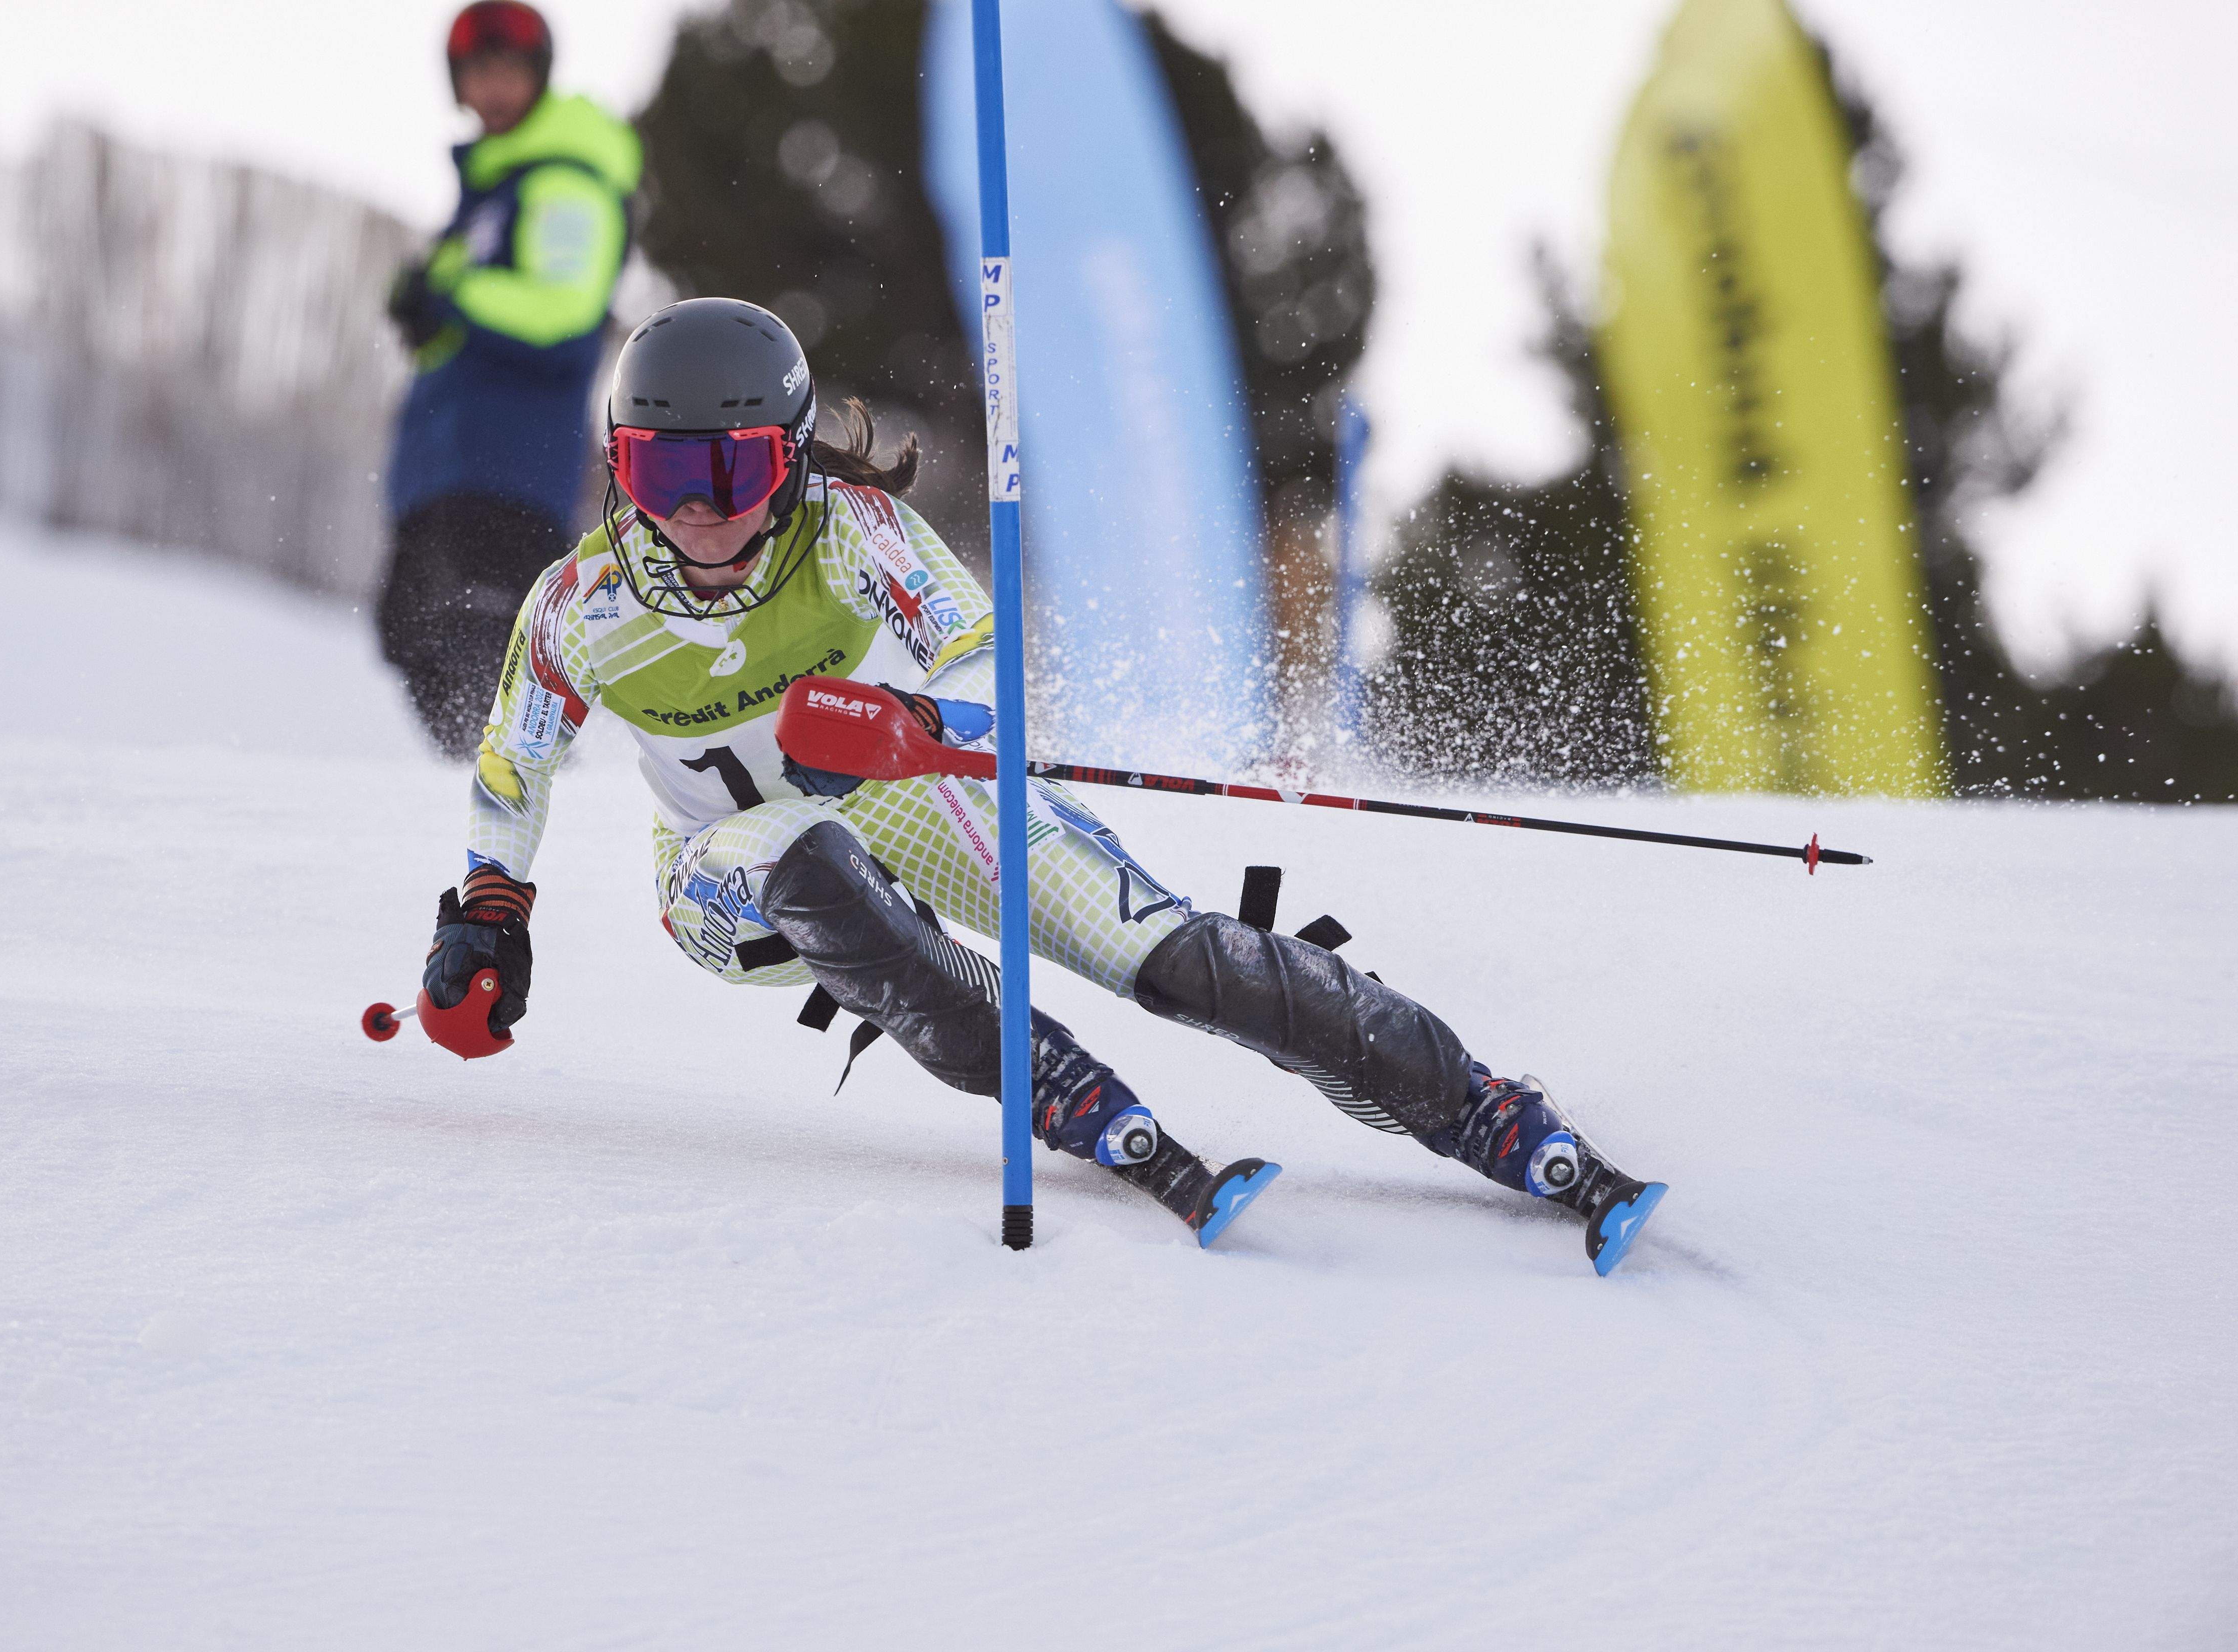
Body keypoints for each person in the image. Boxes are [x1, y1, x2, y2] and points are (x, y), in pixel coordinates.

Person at [418, 297, 1668, 1270]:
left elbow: (982, 658)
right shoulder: (581, 606)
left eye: (732, 475)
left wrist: (916, 717)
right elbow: (512, 764)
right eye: (660, 475)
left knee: (1165, 952)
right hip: (723, 882)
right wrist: (487, 909)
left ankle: (1484, 1108)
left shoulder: (854, 533)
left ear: (790, 462)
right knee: (798, 847)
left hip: (894, 785)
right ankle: (1054, 1081)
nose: (696, 517)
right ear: (619, 468)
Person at [379, 0, 642, 757]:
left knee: (485, 663)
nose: (492, 89)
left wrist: (454, 296)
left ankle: (518, 835)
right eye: (477, 73)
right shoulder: (492, 190)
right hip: (448, 468)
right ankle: (478, 814)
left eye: (510, 71)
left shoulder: (564, 181)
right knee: (413, 636)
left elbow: (564, 311)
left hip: (507, 476)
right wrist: (427, 308)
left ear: (540, 77)